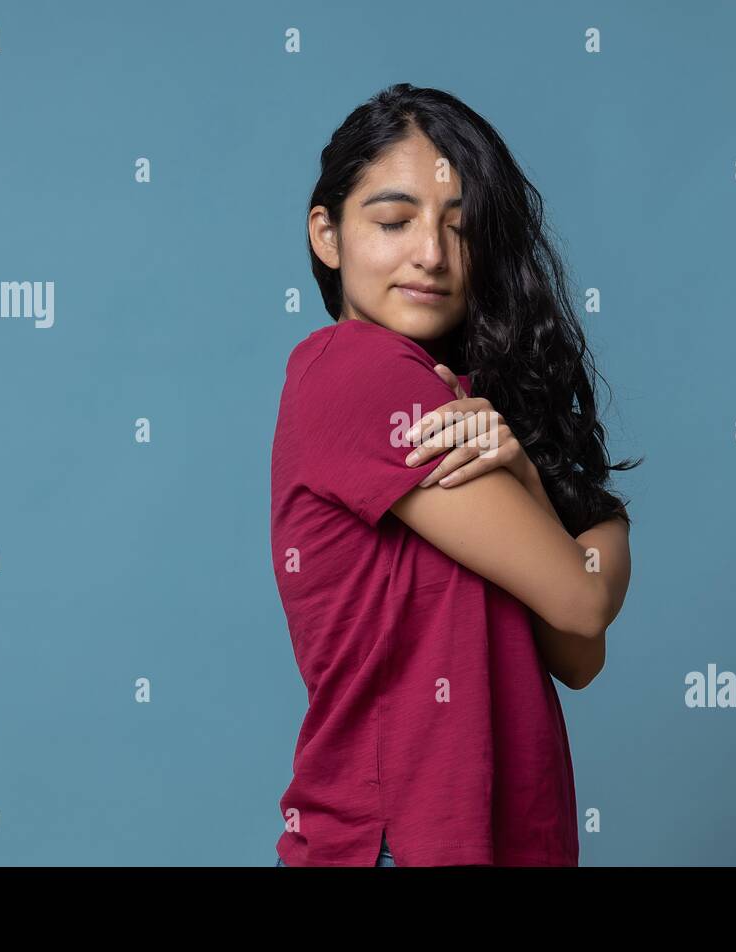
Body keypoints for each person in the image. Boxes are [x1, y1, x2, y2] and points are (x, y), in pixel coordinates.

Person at [271, 83, 638, 867]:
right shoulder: (356, 370)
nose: (431, 254)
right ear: (326, 234)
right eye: (394, 221)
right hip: (397, 844)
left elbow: (579, 658)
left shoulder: (466, 405)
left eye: (460, 229)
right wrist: (578, 526)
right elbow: (579, 600)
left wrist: (534, 484)